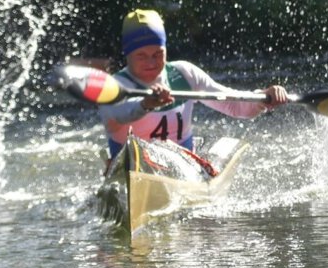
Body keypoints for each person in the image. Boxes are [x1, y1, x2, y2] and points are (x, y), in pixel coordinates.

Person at [98, 9, 288, 162]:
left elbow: (234, 106)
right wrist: (146, 104)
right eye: (142, 56)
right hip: (130, 168)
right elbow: (121, 114)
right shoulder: (113, 86)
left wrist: (264, 97)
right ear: (127, 53)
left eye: (158, 53)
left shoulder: (185, 74)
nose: (151, 62)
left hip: (182, 164)